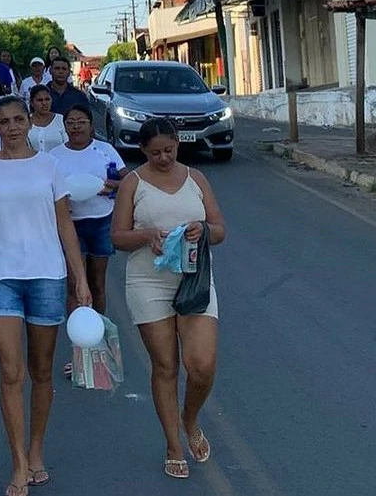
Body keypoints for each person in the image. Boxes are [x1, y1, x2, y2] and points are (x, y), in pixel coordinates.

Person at [0, 97, 91, 496]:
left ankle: (36, 450)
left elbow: (65, 225)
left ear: (30, 123)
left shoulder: (49, 166)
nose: (13, 127)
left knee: (41, 370)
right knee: (10, 372)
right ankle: (18, 461)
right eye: (5, 121)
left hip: (47, 276)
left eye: (19, 120)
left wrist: (79, 280)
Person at [112, 117, 225, 479]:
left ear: (178, 144)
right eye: (156, 152)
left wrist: (203, 229)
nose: (164, 157)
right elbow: (117, 237)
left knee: (202, 366)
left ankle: (189, 418)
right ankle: (173, 443)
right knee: (165, 366)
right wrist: (146, 235)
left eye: (170, 150)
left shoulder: (197, 179)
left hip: (194, 281)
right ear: (143, 150)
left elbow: (220, 229)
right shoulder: (133, 183)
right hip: (149, 282)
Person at [50, 105, 127, 378]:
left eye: (81, 121)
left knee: (96, 284)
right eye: (70, 122)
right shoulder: (54, 156)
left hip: (101, 222)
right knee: (75, 286)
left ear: (90, 125)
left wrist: (112, 186)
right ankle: (79, 351)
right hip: (70, 225)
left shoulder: (105, 150)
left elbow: (126, 178)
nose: (75, 126)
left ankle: (98, 345)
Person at [26, 86, 67, 152]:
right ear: (32, 103)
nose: (44, 103)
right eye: (40, 100)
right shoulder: (26, 122)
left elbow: (67, 144)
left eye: (47, 99)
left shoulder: (61, 120)